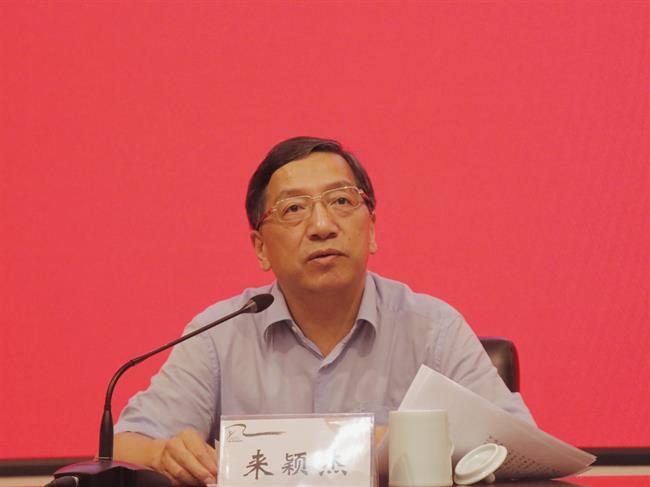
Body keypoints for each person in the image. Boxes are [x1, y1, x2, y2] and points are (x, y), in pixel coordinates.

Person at [114, 136, 535, 485]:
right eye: (294, 209)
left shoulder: (433, 329)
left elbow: (525, 450)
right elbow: (122, 447)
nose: (322, 226)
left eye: (341, 201)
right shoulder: (218, 335)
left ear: (372, 229)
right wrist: (163, 453)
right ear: (261, 248)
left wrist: (408, 446)